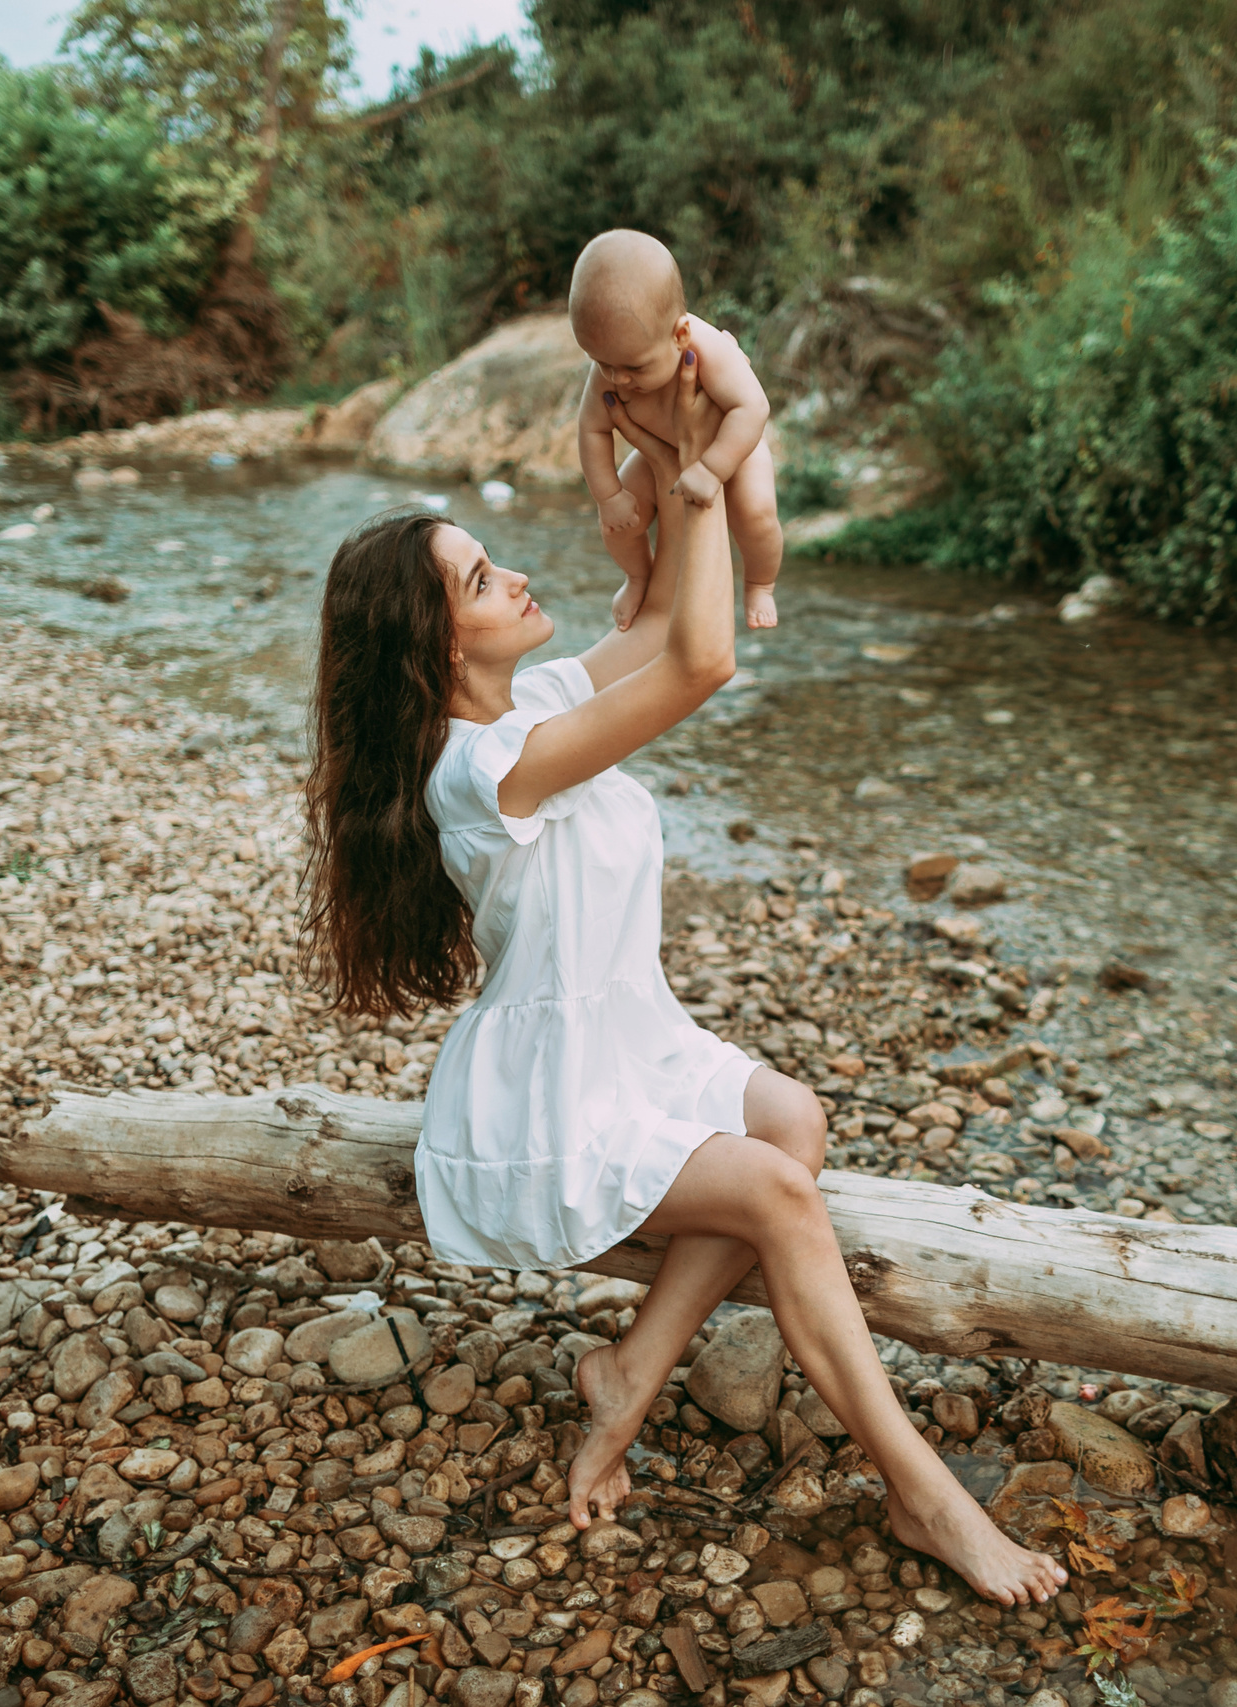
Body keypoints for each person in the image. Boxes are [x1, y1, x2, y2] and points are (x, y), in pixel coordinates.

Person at [298, 347, 1065, 1606]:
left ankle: (629, 1372)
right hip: (550, 1089)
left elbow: (661, 625)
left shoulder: (531, 707)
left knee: (793, 1119)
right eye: (482, 579)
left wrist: (669, 453)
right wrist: (701, 483)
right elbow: (700, 664)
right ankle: (925, 1496)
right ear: (433, 643)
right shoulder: (478, 770)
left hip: (631, 1039)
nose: (517, 575)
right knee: (778, 1194)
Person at [569, 227, 787, 632]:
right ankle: (638, 576)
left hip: (734, 448)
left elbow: (752, 407)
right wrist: (608, 495)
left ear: (679, 335)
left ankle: (760, 583)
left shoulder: (708, 350)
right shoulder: (613, 364)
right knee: (616, 523)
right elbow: (592, 429)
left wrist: (713, 467)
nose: (617, 378)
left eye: (634, 367)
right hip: (661, 451)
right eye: (601, 363)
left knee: (756, 515)